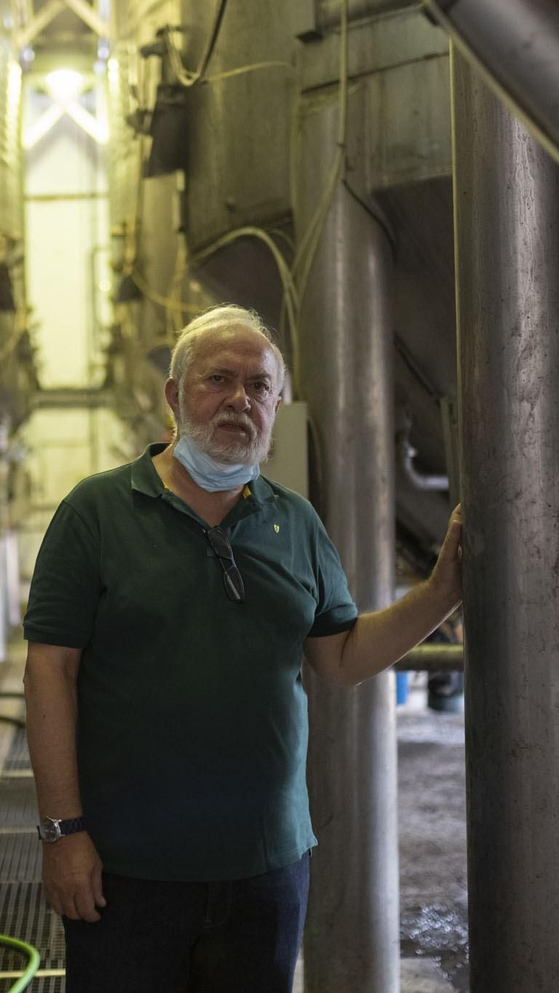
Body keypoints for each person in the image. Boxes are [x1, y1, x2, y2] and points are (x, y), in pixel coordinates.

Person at [23, 304, 464, 992]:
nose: (239, 399)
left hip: (266, 868)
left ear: (276, 405)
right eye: (217, 379)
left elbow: (341, 657)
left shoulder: (295, 519)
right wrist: (62, 832)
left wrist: (439, 594)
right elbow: (50, 668)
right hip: (125, 867)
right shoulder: (97, 512)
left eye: (259, 385)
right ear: (174, 396)